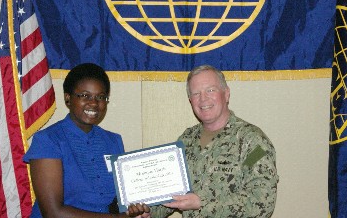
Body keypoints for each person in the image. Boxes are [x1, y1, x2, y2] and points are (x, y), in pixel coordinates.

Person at [150, 64, 278, 218]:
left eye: (210, 90)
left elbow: (262, 202)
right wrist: (148, 212)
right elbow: (173, 194)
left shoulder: (253, 141)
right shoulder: (186, 140)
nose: (203, 99)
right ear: (190, 100)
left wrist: (202, 203)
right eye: (196, 93)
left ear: (226, 94)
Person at [23, 62, 150, 218]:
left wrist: (134, 211)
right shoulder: (48, 140)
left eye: (101, 97)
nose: (94, 103)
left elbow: (116, 202)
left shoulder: (113, 141)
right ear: (68, 98)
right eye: (85, 95)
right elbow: (53, 213)